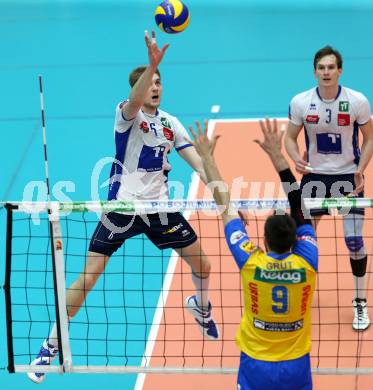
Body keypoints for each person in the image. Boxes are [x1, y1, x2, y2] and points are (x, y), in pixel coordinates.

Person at [28, 31, 219, 384]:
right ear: (140, 87)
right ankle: (51, 344)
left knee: (204, 266)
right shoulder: (126, 115)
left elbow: (198, 164)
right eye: (151, 81)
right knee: (87, 280)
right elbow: (132, 100)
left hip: (160, 211)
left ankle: (200, 307)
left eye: (159, 81)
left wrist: (215, 177)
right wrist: (151, 64)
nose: (156, 86)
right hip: (122, 209)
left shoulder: (171, 124)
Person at [189, 118, 318, 390]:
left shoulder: (250, 260)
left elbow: (225, 207)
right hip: (296, 364)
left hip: (256, 363)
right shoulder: (307, 260)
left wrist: (208, 159)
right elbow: (299, 205)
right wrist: (277, 156)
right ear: (297, 238)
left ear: (264, 241)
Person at [285, 45, 373, 331]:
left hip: (349, 177)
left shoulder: (357, 101)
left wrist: (361, 170)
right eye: (321, 68)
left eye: (331, 67)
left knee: (354, 242)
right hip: (315, 177)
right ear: (314, 71)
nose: (326, 72)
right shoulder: (301, 102)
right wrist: (296, 157)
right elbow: (289, 138)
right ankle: (300, 292)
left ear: (340, 71)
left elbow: (370, 138)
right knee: (303, 238)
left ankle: (360, 303)